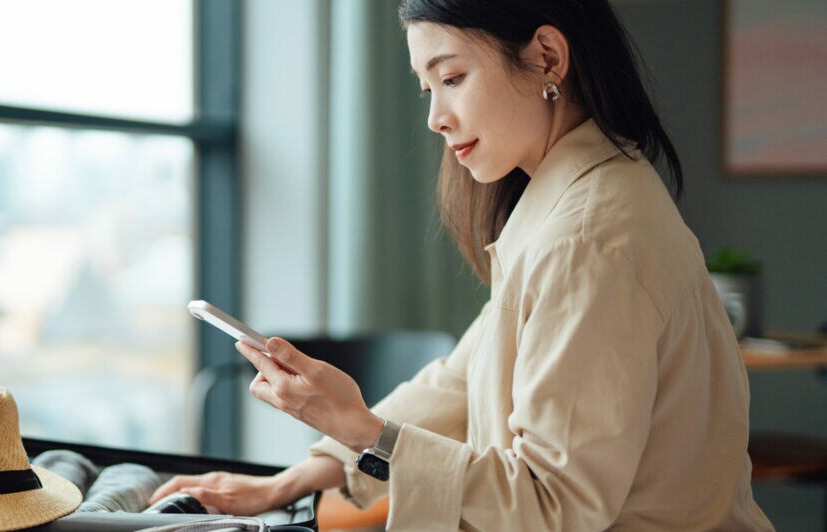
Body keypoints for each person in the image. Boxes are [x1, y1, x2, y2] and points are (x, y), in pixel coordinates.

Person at [150, 1, 774, 529]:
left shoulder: (589, 234)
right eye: (428, 88)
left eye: (452, 78)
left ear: (548, 59)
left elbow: (553, 506)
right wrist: (291, 479)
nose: (434, 118)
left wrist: (364, 429)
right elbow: (459, 378)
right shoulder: (571, 199)